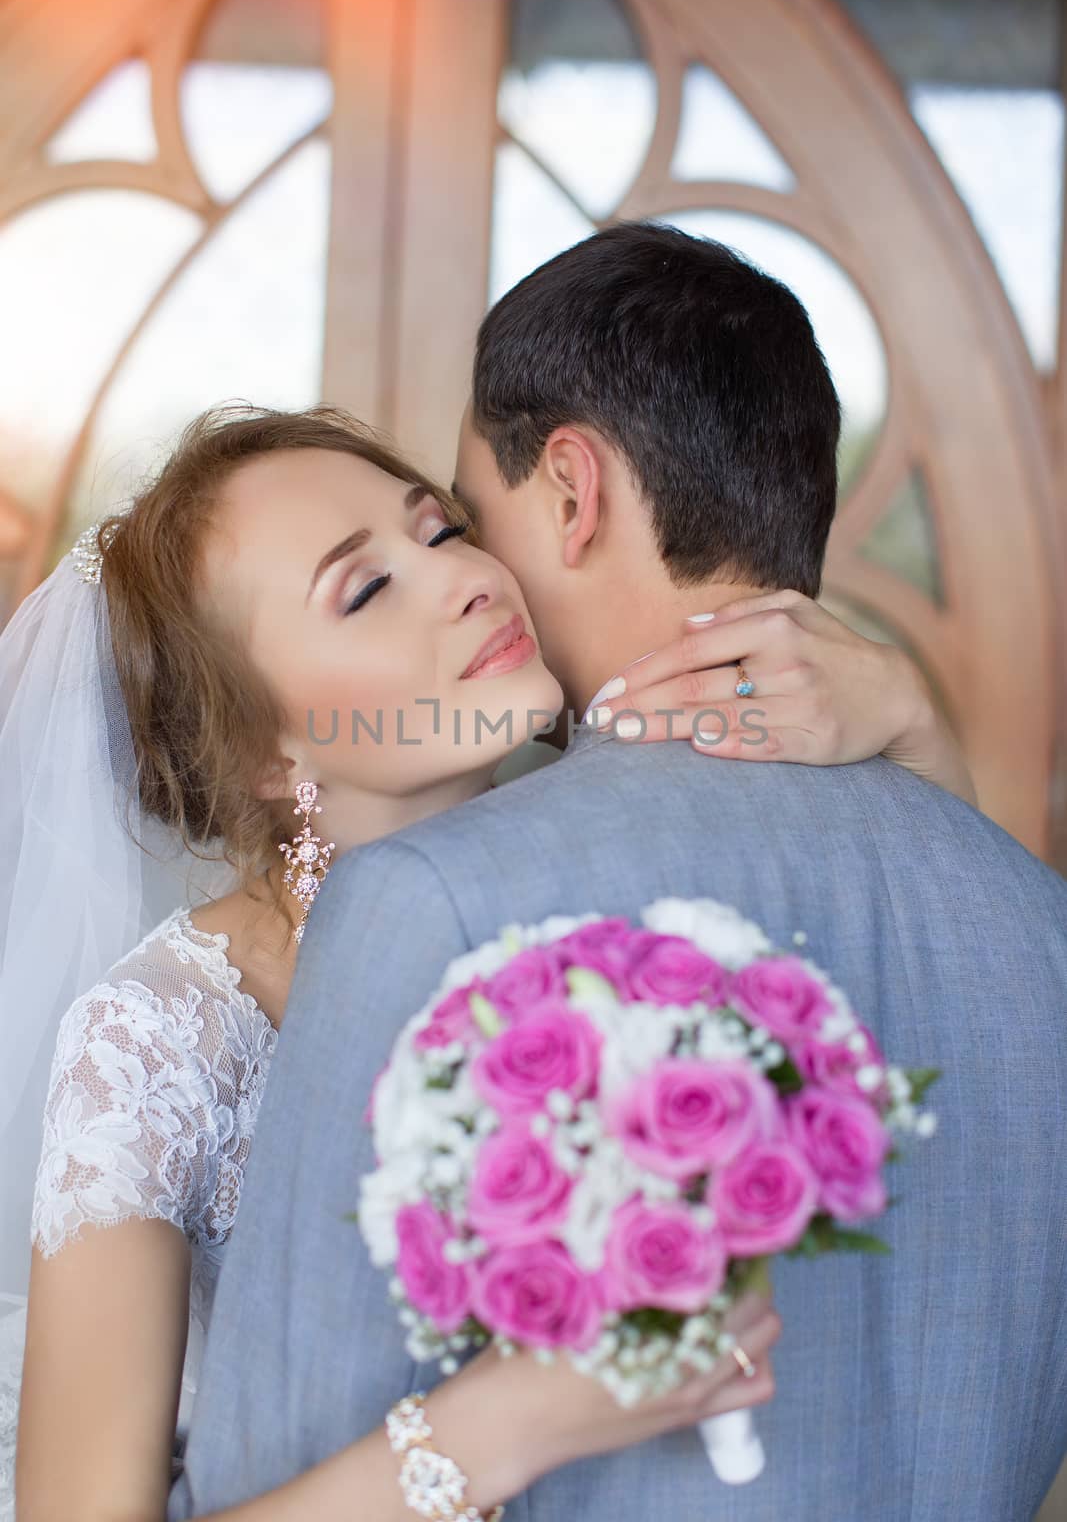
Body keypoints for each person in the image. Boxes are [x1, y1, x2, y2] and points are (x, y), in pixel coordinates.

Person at [162, 224, 1067, 1522]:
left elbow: (271, 1473)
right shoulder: (1037, 934)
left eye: (470, 518)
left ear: (572, 491)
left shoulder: (435, 904)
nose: (471, 576)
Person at [1, 365, 963, 1521]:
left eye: (442, 527)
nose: (461, 579)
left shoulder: (619, 899)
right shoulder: (153, 1039)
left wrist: (911, 724)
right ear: (269, 751)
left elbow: (952, 996)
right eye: (364, 591)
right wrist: (511, 1422)